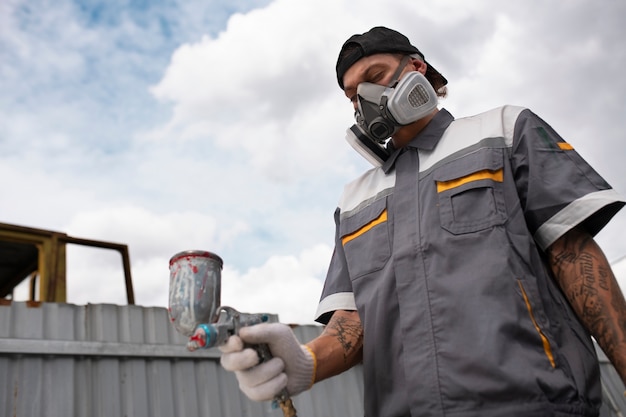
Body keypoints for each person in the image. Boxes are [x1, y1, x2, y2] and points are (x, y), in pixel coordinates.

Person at [219, 26, 626, 416]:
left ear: (417, 70)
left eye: (374, 76)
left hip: (533, 404)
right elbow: (353, 323)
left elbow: (574, 257)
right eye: (352, 96)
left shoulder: (504, 131)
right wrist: (303, 363)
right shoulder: (355, 199)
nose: (364, 100)